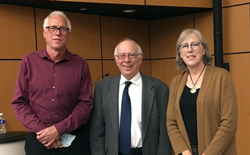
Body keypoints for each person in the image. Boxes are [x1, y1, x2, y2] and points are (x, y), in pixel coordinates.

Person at [12, 11, 93, 155]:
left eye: (63, 29)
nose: (58, 33)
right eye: (52, 28)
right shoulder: (29, 61)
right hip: (38, 142)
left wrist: (58, 130)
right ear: (44, 33)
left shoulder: (80, 64)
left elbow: (85, 104)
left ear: (69, 35)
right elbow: (19, 103)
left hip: (73, 144)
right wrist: (45, 132)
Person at [89, 38, 172, 155]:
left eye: (132, 55)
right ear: (116, 60)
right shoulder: (102, 89)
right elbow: (96, 132)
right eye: (122, 56)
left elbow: (165, 133)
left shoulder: (159, 89)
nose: (127, 60)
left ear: (140, 58)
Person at [166, 28, 238, 155]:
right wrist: (183, 150)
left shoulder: (222, 77)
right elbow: (171, 121)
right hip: (187, 151)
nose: (190, 49)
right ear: (180, 53)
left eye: (195, 44)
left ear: (204, 50)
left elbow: (229, 122)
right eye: (184, 46)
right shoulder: (176, 82)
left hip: (217, 151)